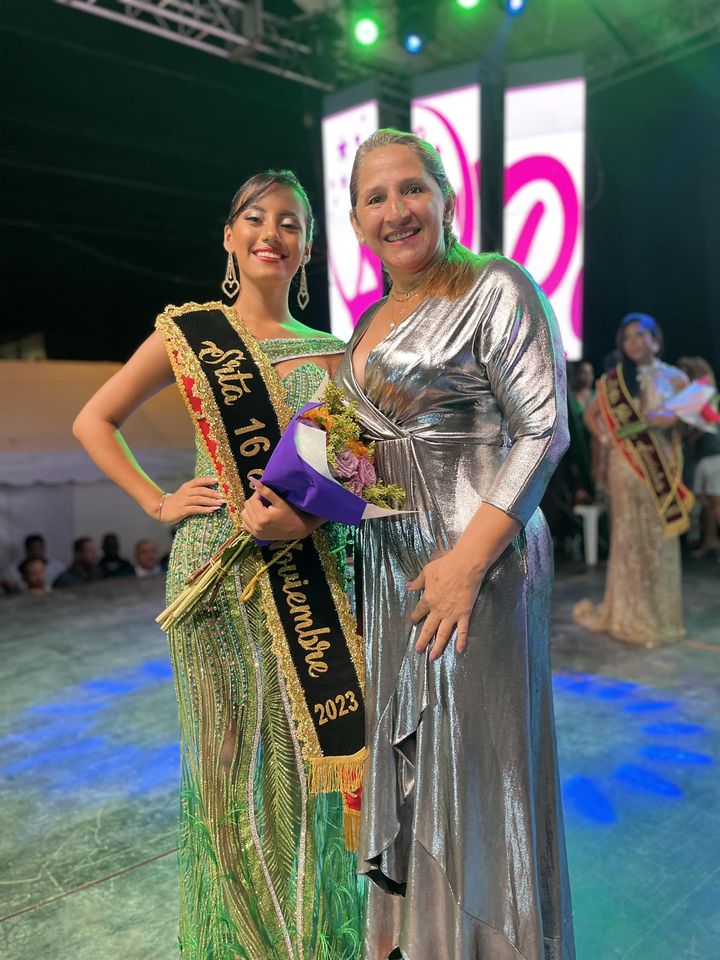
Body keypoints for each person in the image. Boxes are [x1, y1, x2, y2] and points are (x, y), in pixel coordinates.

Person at [294, 128, 572, 960]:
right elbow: (356, 461)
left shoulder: (496, 286)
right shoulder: (366, 324)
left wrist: (466, 565)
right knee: (417, 768)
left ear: (447, 198)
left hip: (480, 560)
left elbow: (543, 432)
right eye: (375, 198)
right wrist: (281, 505)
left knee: (481, 767)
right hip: (393, 574)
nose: (396, 210)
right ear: (355, 221)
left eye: (412, 188)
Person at [72, 170, 365, 959]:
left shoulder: (338, 352)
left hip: (310, 575)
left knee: (307, 769)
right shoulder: (190, 334)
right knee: (226, 769)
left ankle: (310, 938)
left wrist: (317, 512)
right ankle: (236, 943)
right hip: (213, 578)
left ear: (308, 247)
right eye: (255, 218)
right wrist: (158, 501)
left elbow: (355, 473)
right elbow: (95, 419)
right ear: (230, 236)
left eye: (291, 222)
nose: (272, 233)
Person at [574, 314, 691, 646]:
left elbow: (701, 417)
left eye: (640, 335)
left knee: (659, 538)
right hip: (625, 467)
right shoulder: (614, 381)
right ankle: (630, 613)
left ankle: (660, 615)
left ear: (655, 338)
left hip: (661, 466)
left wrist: (672, 418)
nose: (634, 342)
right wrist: (606, 439)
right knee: (629, 537)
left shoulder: (676, 378)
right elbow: (591, 416)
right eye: (627, 338)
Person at [676, 356, 720, 560]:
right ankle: (710, 540)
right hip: (705, 455)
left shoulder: (703, 393)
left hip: (713, 453)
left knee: (716, 502)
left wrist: (689, 440)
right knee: (706, 502)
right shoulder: (706, 393)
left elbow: (706, 425)